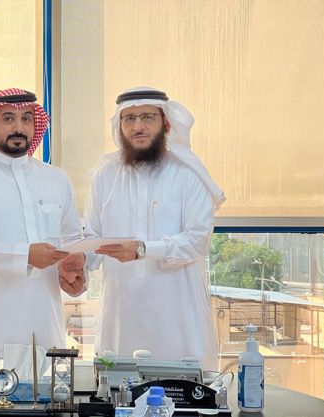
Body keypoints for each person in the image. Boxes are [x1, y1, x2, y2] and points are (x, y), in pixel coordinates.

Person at [84, 86, 225, 371]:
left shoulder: (188, 175)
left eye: (147, 117)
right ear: (120, 126)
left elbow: (197, 241)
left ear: (167, 124)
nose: (138, 126)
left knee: (181, 390)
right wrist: (78, 264)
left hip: (177, 315)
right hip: (121, 315)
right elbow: (91, 238)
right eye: (129, 119)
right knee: (118, 388)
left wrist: (143, 250)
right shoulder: (104, 177)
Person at [0, 88, 85, 358]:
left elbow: (72, 242)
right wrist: (26, 255)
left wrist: (75, 275)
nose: (19, 127)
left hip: (45, 331)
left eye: (26, 119)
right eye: (8, 118)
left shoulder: (57, 179)